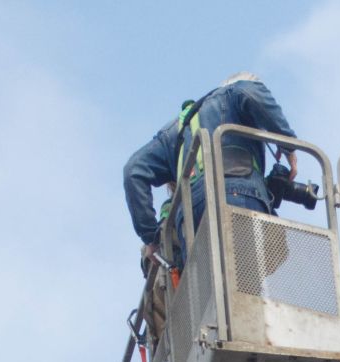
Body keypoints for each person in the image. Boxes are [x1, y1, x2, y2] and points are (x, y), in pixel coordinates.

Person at [123, 72, 298, 275]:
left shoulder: (176, 129)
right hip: (236, 195)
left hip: (189, 217)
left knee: (207, 296)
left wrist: (151, 238)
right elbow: (249, 93)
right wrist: (287, 142)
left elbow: (133, 171)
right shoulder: (232, 93)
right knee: (243, 287)